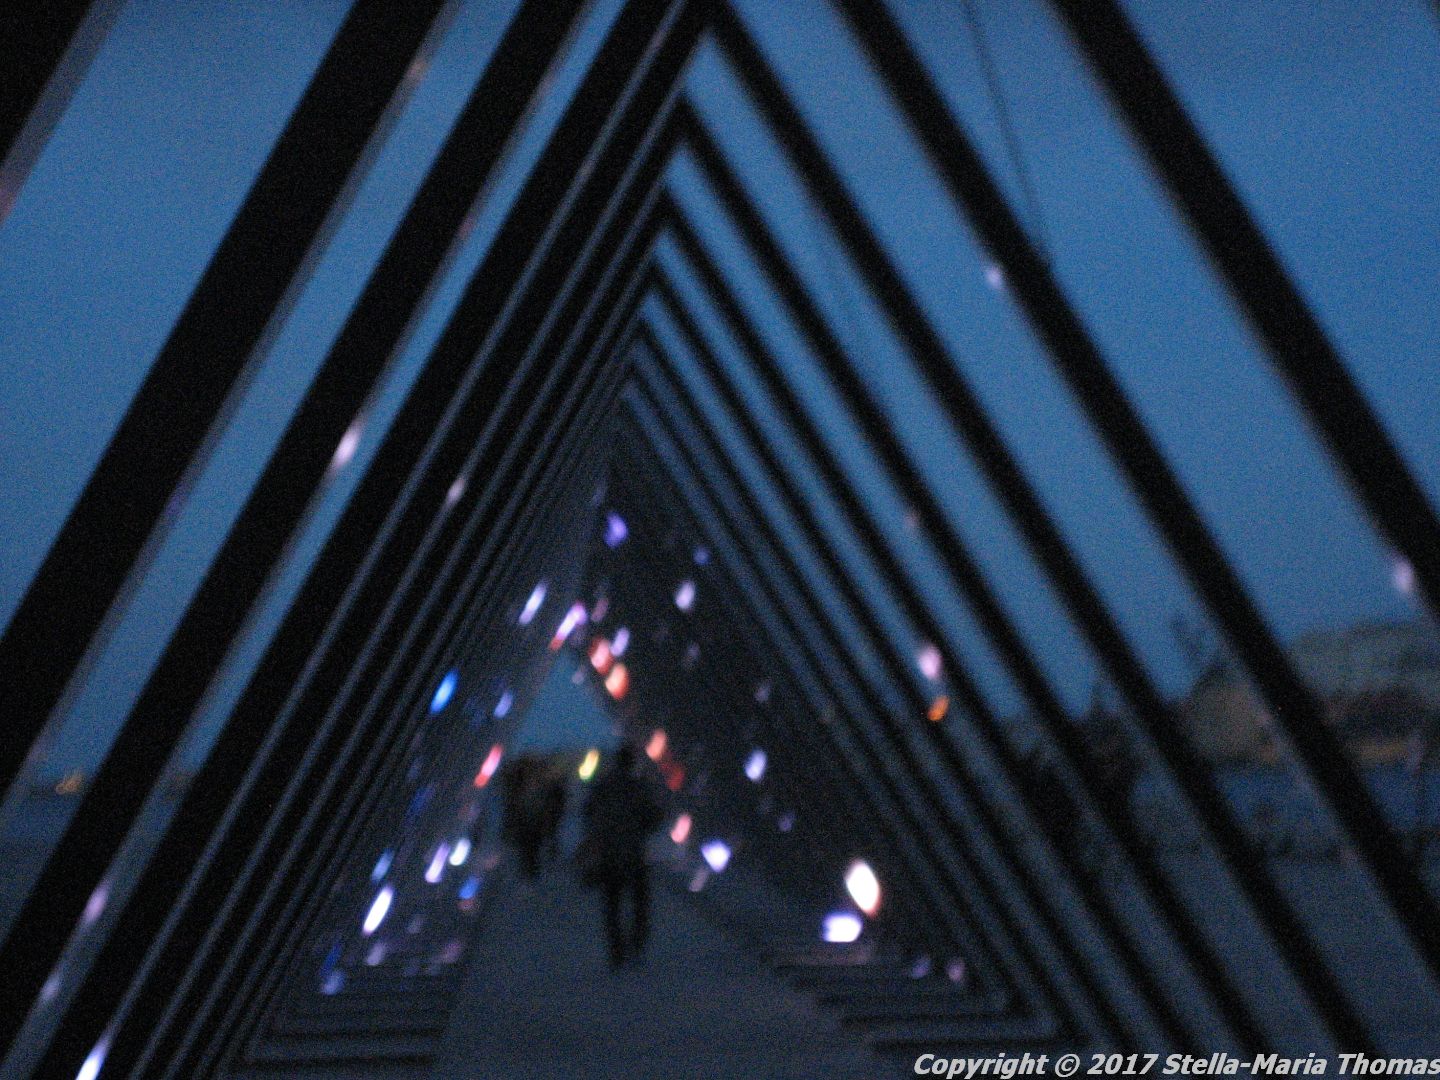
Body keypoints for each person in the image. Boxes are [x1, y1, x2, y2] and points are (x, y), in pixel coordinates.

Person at [580, 743, 664, 969]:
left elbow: (588, 814)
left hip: (608, 854)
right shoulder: (639, 787)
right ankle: (636, 945)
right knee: (639, 903)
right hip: (634, 853)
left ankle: (616, 950)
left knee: (612, 904)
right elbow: (654, 816)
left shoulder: (602, 786)